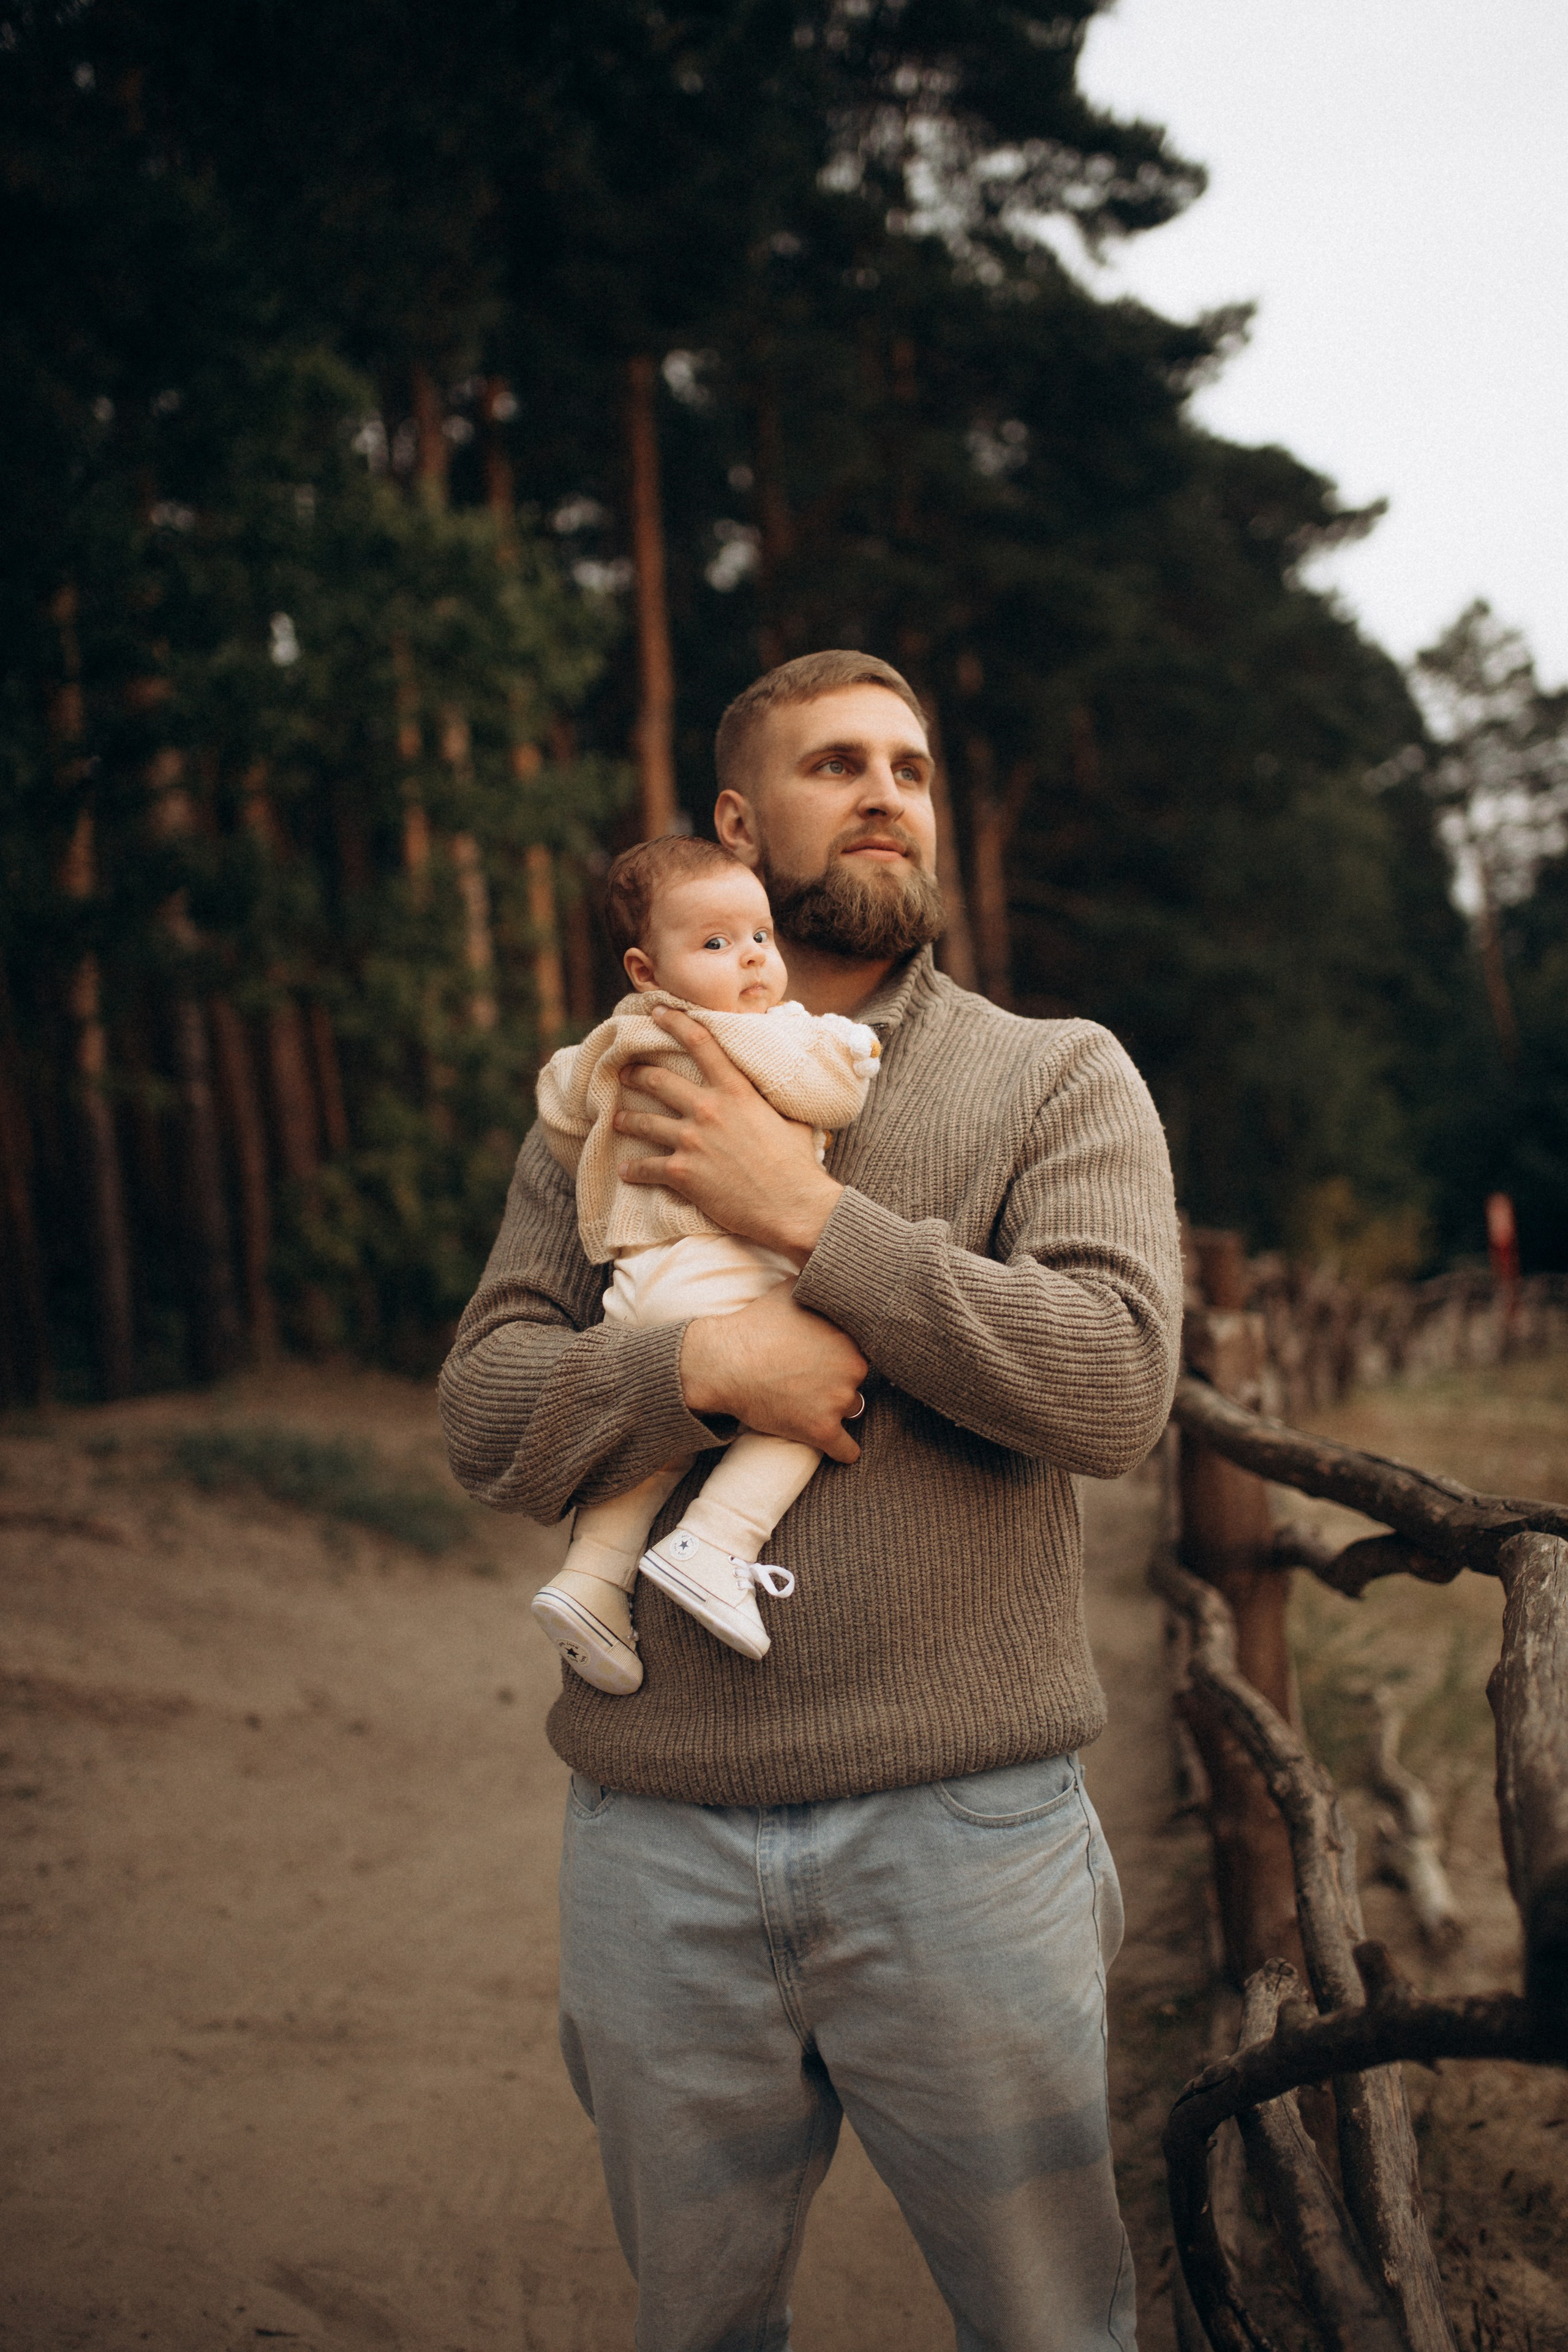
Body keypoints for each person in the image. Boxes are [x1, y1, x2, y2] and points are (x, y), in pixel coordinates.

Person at [440, 649, 1183, 2352]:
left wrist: (812, 1222)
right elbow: (487, 1418)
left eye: (912, 770)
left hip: (967, 1832)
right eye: (837, 762)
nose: (885, 796)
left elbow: (1115, 1383)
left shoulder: (1054, 1074)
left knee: (1053, 2331)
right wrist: (700, 1376)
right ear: (735, 820)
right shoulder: (619, 1081)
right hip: (655, 1841)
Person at [529, 833, 881, 1692]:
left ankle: (591, 1582)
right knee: (819, 1383)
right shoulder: (746, 1035)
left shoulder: (617, 1041)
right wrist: (853, 1048)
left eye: (760, 936)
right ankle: (719, 1541)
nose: (753, 961)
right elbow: (829, 1091)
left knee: (654, 1448)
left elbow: (559, 1107)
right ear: (647, 970)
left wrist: (602, 1171)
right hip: (727, 1273)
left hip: (641, 1282)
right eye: (717, 945)